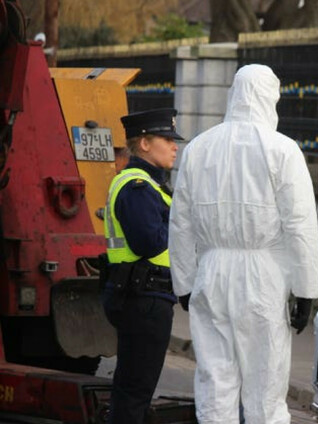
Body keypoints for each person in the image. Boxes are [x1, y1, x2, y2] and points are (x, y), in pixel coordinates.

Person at [169, 64, 318, 424]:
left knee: (215, 380)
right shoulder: (282, 150)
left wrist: (184, 282)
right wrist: (305, 291)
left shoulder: (198, 148)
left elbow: (181, 222)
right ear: (270, 98)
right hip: (263, 277)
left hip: (211, 273)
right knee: (265, 384)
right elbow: (300, 225)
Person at [102, 108, 182, 423]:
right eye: (167, 139)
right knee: (134, 392)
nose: (175, 147)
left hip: (145, 295)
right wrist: (180, 223)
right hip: (144, 297)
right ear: (145, 143)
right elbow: (148, 242)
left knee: (133, 388)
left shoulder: (149, 185)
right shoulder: (138, 187)